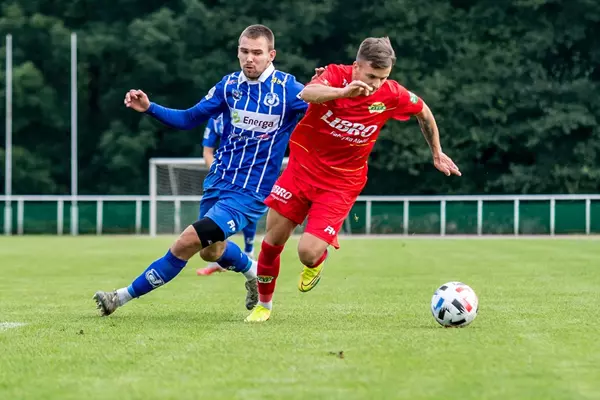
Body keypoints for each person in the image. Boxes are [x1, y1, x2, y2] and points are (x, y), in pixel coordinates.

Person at [93, 24, 308, 316]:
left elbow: (323, 115)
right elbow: (188, 119)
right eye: (244, 51)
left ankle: (118, 298)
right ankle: (254, 273)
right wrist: (150, 107)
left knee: (187, 241)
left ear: (271, 55)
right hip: (218, 183)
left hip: (249, 192)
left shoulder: (289, 90)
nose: (249, 58)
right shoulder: (228, 86)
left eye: (257, 53)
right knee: (211, 252)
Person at [245, 37, 461, 322]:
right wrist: (342, 92)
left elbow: (423, 111)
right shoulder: (335, 75)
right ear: (356, 66)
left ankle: (317, 261)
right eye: (372, 76)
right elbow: (308, 93)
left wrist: (436, 152)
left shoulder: (391, 94)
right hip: (300, 171)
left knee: (307, 253)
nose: (377, 84)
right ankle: (264, 306)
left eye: (384, 78)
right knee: (272, 241)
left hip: (341, 183)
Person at [196, 114, 258, 276]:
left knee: (246, 213)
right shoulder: (215, 119)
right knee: (207, 226)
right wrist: (219, 174)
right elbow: (207, 152)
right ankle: (220, 259)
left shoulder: (250, 114)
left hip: (246, 178)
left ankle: (249, 253)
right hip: (220, 179)